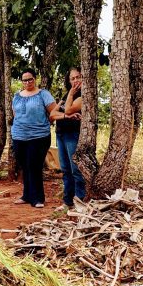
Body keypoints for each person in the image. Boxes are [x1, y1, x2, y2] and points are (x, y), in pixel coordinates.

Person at [11, 68, 56, 209]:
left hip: (39, 136)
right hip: (19, 136)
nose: (28, 82)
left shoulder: (44, 94)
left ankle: (38, 198)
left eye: (30, 79)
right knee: (25, 166)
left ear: (35, 79)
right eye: (25, 80)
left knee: (35, 166)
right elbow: (15, 114)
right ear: (21, 82)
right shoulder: (16, 96)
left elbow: (53, 112)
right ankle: (26, 195)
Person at [51, 67, 85, 208]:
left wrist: (71, 95)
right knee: (65, 169)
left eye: (78, 77)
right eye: (73, 78)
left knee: (75, 169)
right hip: (60, 134)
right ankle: (67, 201)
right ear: (68, 80)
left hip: (73, 134)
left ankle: (79, 201)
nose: (76, 80)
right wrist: (65, 116)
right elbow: (52, 114)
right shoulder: (66, 96)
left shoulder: (83, 95)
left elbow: (70, 108)